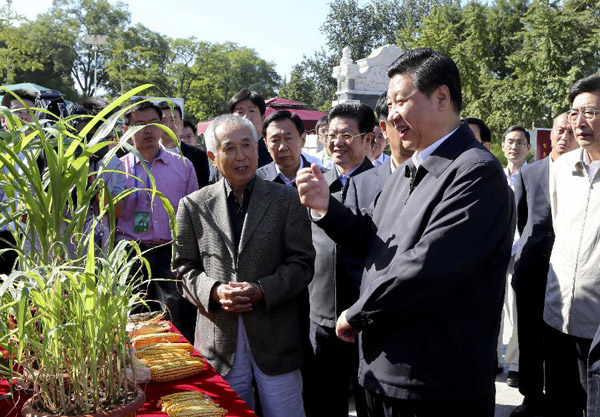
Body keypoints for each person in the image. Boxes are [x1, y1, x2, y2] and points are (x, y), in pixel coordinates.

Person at [297, 48, 514, 417]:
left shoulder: (477, 172)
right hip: (382, 372)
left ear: (441, 97)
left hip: (436, 385)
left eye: (401, 101)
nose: (391, 114)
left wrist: (358, 313)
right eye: (390, 104)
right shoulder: (406, 171)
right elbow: (374, 237)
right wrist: (325, 208)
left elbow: (429, 267)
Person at [174, 114, 314, 417]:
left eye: (247, 145)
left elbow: (302, 264)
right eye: (230, 148)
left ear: (257, 148)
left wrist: (263, 290)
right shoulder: (193, 205)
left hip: (276, 338)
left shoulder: (286, 199)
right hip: (219, 342)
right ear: (212, 156)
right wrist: (213, 291)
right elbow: (184, 268)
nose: (241, 156)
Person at [305, 102, 374, 417]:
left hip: (366, 319)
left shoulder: (386, 185)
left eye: (347, 134)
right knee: (323, 402)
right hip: (320, 317)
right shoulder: (315, 183)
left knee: (368, 403)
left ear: (368, 138)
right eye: (331, 134)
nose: (337, 142)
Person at [510, 113, 578, 417]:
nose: (564, 137)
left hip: (567, 273)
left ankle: (560, 397)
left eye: (570, 132)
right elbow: (523, 219)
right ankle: (531, 396)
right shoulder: (531, 173)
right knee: (529, 336)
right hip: (532, 268)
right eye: (559, 131)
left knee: (559, 339)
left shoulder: (582, 175)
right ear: (550, 137)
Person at [116, 99, 199, 342]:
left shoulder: (183, 166)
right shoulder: (117, 167)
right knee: (133, 326)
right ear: (126, 130)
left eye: (154, 122)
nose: (148, 130)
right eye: (139, 124)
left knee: (175, 324)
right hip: (130, 256)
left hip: (169, 254)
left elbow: (193, 216)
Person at [544, 74, 600, 416]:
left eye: (590, 112)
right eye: (574, 113)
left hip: (597, 326)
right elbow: (558, 224)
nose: (579, 122)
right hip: (558, 315)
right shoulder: (563, 167)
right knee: (562, 405)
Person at [500, 125, 531, 387]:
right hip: (495, 254)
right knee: (493, 310)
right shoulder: (494, 178)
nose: (515, 146)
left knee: (518, 311)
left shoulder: (536, 178)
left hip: (522, 255)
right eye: (510, 141)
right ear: (502, 146)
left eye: (520, 142)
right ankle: (491, 358)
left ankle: (515, 364)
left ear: (528, 148)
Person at [346, 91, 414, 211]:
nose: (414, 127)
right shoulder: (360, 184)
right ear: (384, 129)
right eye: (402, 124)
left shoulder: (445, 177)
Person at [158, 101, 210, 189]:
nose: (168, 126)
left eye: (173, 120)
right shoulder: (148, 156)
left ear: (181, 124)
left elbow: (202, 191)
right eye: (163, 121)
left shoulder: (199, 156)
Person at [228, 88, 272, 168]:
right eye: (240, 112)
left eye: (251, 111)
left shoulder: (272, 151)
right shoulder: (226, 151)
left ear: (263, 117)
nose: (246, 117)